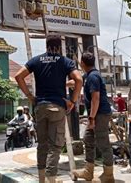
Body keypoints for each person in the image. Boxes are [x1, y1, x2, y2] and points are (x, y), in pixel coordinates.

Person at [14, 34, 83, 183]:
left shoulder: (36, 60)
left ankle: (41, 179)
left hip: (40, 107)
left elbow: (19, 76)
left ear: (46, 45)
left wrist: (30, 97)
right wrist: (72, 101)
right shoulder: (66, 62)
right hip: (57, 108)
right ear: (60, 46)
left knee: (42, 145)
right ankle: (51, 179)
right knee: (55, 146)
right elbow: (78, 79)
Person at [71, 52, 114, 182]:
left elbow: (96, 98)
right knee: (88, 139)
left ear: (82, 63)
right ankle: (88, 171)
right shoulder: (88, 75)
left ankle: (108, 174)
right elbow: (76, 81)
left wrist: (91, 118)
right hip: (96, 114)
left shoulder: (93, 77)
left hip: (99, 114)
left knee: (103, 142)